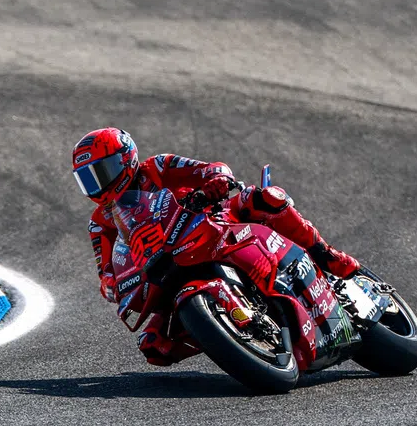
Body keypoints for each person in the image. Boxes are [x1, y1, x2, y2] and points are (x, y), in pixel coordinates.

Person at [72, 127, 360, 367]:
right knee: (154, 346)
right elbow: (106, 269)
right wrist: (112, 285)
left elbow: (211, 168)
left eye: (102, 171)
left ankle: (325, 253)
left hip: (212, 223)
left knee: (265, 198)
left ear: (125, 160)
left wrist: (216, 181)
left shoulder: (158, 167)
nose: (98, 184)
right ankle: (230, 334)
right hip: (165, 264)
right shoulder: (100, 222)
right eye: (88, 179)